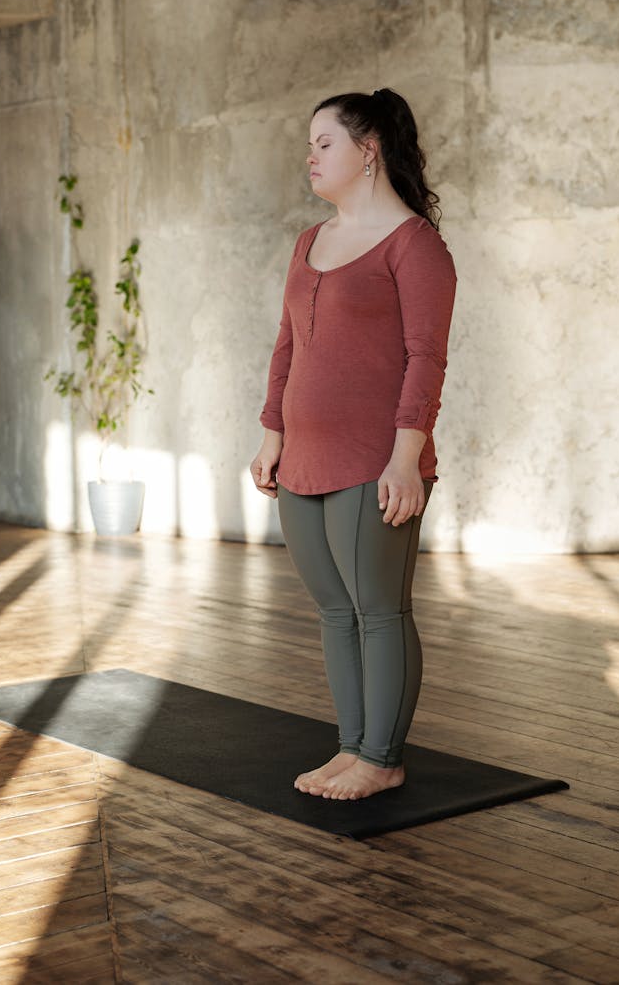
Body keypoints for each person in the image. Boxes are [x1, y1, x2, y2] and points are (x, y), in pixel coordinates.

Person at [250, 88, 456, 801]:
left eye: (324, 142)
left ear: (369, 150)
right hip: (302, 453)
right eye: (309, 144)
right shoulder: (309, 242)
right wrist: (271, 433)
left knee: (380, 607)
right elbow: (287, 346)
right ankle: (352, 747)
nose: (310, 155)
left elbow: (426, 358)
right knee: (336, 610)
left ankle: (382, 757)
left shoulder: (415, 245)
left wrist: (407, 458)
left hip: (377, 459)